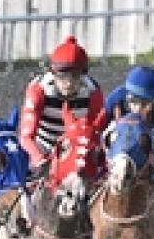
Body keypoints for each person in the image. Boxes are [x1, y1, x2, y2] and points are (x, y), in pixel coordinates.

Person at [104, 65, 154, 238]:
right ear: (126, 95)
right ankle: (83, 217)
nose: (137, 108)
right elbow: (97, 128)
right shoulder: (115, 99)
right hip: (115, 148)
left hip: (144, 150)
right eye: (133, 101)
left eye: (145, 103)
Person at [18, 35, 107, 170]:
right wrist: (39, 159)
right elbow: (26, 137)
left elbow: (96, 133)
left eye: (75, 76)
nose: (69, 83)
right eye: (62, 77)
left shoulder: (93, 92)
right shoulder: (39, 89)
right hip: (42, 146)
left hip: (76, 148)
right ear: (53, 74)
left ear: (83, 76)